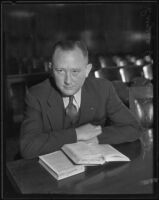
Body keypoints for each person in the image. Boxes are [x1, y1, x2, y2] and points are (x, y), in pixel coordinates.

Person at [20, 40, 142, 159]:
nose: (68, 80)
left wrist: (96, 138)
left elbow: (133, 127)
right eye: (60, 71)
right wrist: (77, 134)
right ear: (51, 69)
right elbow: (27, 148)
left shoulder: (103, 89)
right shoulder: (36, 95)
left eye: (75, 71)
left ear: (87, 70)